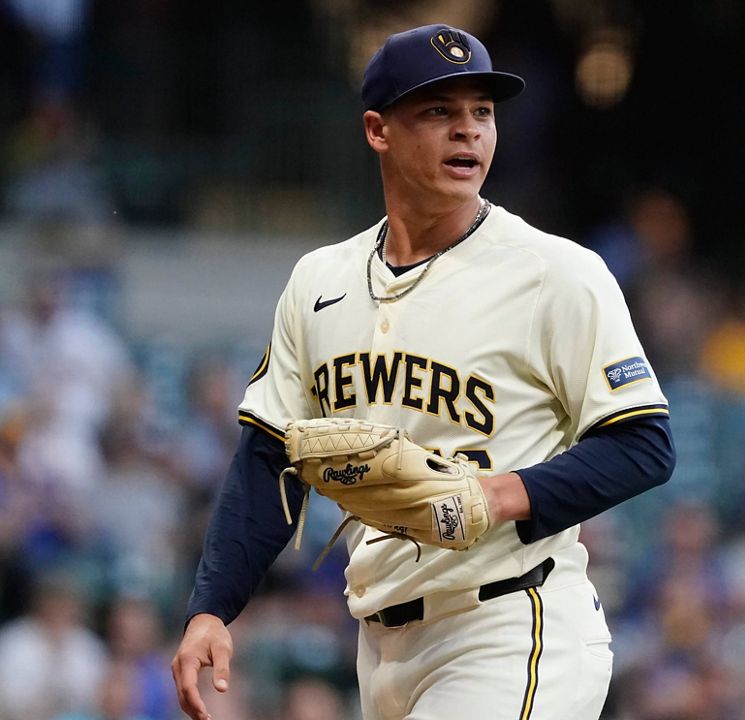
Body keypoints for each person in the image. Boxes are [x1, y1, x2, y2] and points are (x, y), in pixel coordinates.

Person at [171, 23, 675, 720]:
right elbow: (269, 459)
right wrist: (211, 611)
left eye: (482, 112)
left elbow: (644, 445)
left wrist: (499, 495)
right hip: (380, 647)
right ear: (378, 131)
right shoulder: (319, 281)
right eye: (438, 112)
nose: (467, 132)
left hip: (511, 624)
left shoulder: (556, 274)